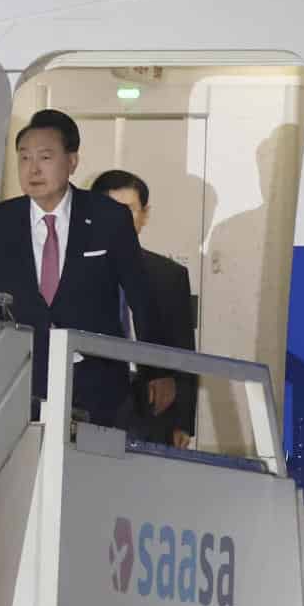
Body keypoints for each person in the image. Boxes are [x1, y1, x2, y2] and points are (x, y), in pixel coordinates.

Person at [0, 110, 155, 426]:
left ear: (72, 162)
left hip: (97, 380)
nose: (33, 168)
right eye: (24, 158)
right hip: (21, 379)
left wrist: (158, 371)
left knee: (92, 471)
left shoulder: (109, 218)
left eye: (45, 157)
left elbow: (142, 298)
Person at [91, 168, 198, 449]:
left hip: (152, 399)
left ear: (144, 215)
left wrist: (183, 420)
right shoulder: (71, 271)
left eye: (128, 209)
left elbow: (184, 349)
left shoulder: (168, 275)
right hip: (90, 396)